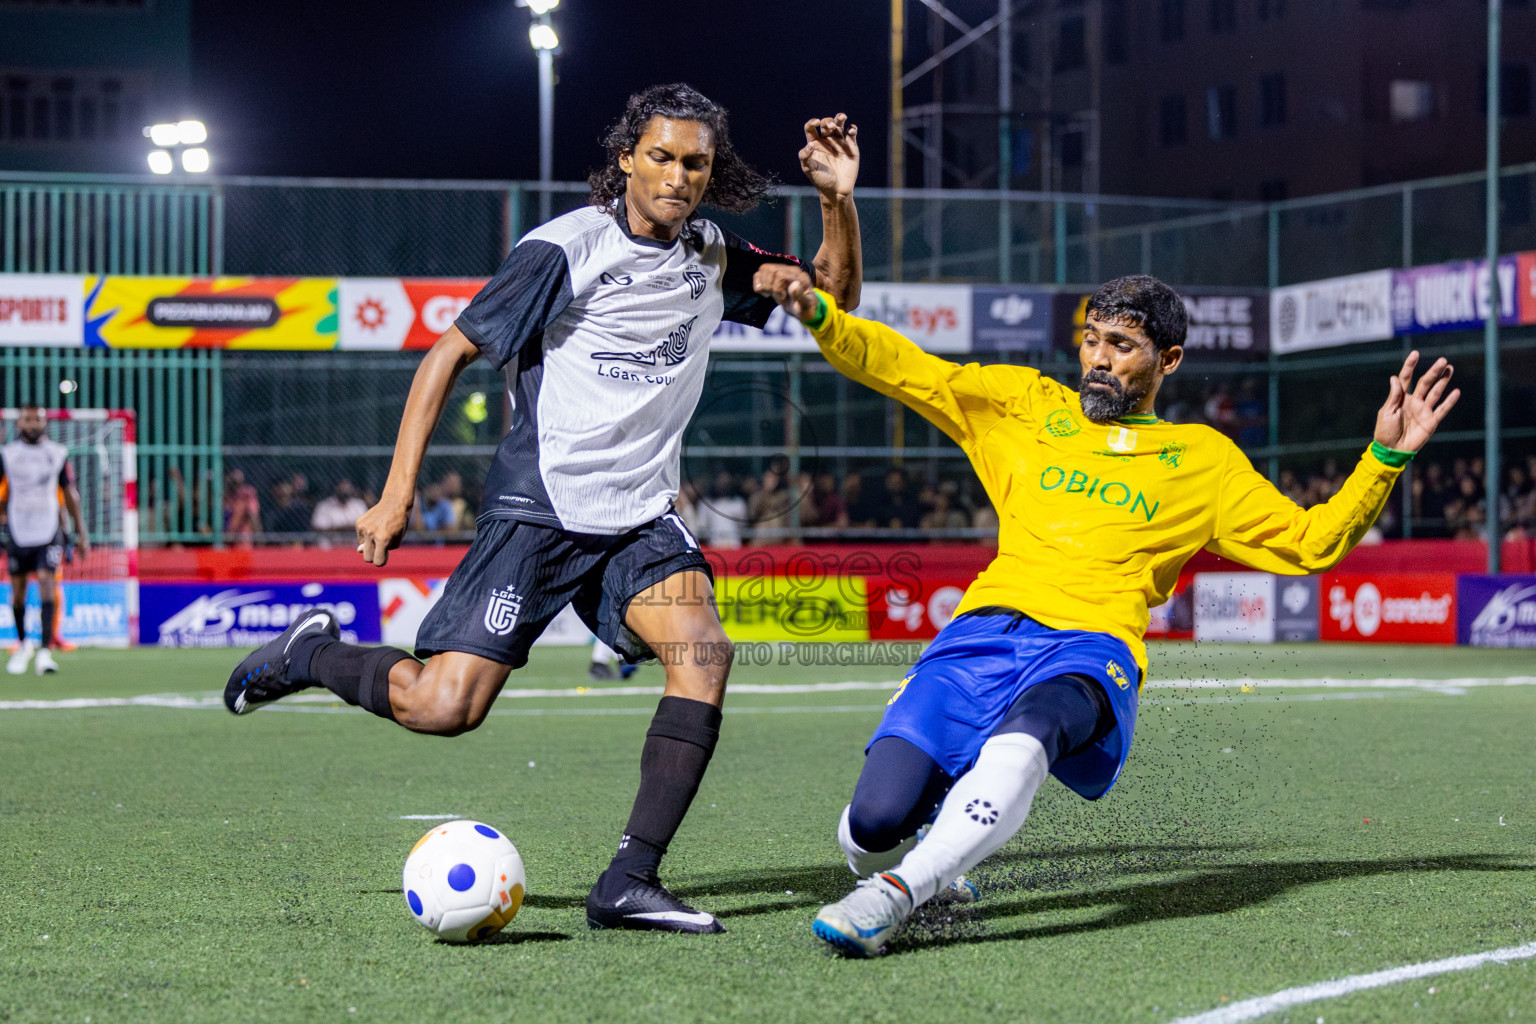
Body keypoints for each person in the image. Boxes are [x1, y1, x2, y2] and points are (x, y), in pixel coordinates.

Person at [222, 83, 862, 935]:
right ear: (628, 157)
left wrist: (835, 201)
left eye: (695, 163)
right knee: (442, 709)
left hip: (638, 518)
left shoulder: (713, 254)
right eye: (662, 157)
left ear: (713, 170)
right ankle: (312, 656)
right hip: (542, 511)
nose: (677, 176)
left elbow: (833, 299)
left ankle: (629, 881)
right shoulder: (565, 248)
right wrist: (397, 492)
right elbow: (446, 354)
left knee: (703, 653)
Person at [752, 268, 1460, 957]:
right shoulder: (1025, 405)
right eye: (1092, 339)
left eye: (1120, 346)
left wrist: (1384, 459)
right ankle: (925, 860)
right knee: (870, 826)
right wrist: (822, 316)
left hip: (1091, 648)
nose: (1097, 359)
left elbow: (1311, 543)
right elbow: (903, 367)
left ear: (1169, 360)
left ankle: (896, 896)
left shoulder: (1203, 461)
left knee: (1029, 736)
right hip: (982, 633)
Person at [1, 407, 91, 675]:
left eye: (38, 419)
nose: (32, 424)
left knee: (46, 583)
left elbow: (70, 493)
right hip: (17, 528)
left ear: (45, 422)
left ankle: (44, 651)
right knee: (17, 592)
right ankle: (22, 644)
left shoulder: (57, 453)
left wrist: (81, 533)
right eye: (28, 419)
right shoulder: (8, 455)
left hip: (49, 528)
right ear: (19, 422)